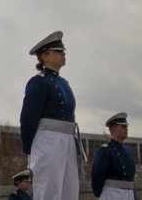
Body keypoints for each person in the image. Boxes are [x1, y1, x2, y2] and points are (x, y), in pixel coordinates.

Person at [19, 31, 83, 200]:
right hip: (48, 140)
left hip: (68, 139)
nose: (63, 54)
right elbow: (28, 118)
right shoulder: (39, 82)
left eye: (63, 51)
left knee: (69, 191)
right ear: (45, 56)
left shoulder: (63, 83)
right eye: (58, 51)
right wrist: (29, 151)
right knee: (49, 190)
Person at [90, 113, 136, 200]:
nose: (126, 129)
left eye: (126, 127)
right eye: (123, 127)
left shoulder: (128, 150)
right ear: (114, 129)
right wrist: (98, 192)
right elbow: (97, 174)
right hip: (112, 194)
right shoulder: (105, 150)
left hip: (129, 194)